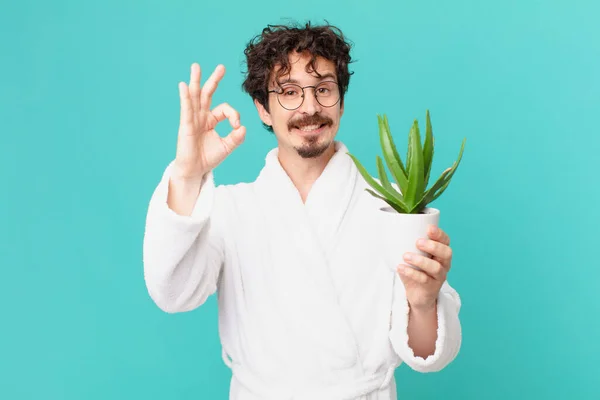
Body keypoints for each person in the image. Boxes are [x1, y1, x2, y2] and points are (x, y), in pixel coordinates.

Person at [143, 21, 462, 400]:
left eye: (324, 89)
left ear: (341, 101)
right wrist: (187, 175)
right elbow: (173, 293)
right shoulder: (230, 209)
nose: (310, 108)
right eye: (289, 92)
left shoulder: (394, 209)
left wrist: (424, 301)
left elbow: (427, 355)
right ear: (263, 108)